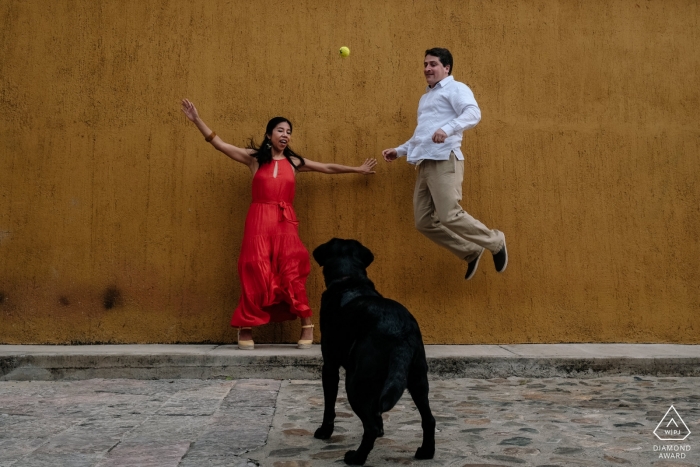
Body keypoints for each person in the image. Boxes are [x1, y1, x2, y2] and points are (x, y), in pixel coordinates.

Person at [181, 99, 377, 349]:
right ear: (269, 134)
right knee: (254, 268)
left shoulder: (295, 163)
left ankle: (307, 325)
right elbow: (220, 144)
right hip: (259, 220)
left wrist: (357, 169)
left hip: (285, 222)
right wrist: (197, 119)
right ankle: (246, 327)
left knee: (291, 269)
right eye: (281, 130)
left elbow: (326, 167)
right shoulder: (254, 159)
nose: (285, 135)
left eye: (289, 132)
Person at [382, 48, 507, 280]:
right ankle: (470, 251)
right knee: (423, 222)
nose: (427, 69)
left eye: (433, 64)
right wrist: (399, 151)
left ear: (446, 68)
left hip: (445, 159)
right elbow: (421, 135)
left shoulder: (456, 88)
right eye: (425, 64)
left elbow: (473, 113)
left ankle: (495, 240)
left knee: (449, 214)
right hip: (425, 162)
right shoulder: (426, 97)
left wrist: (447, 129)